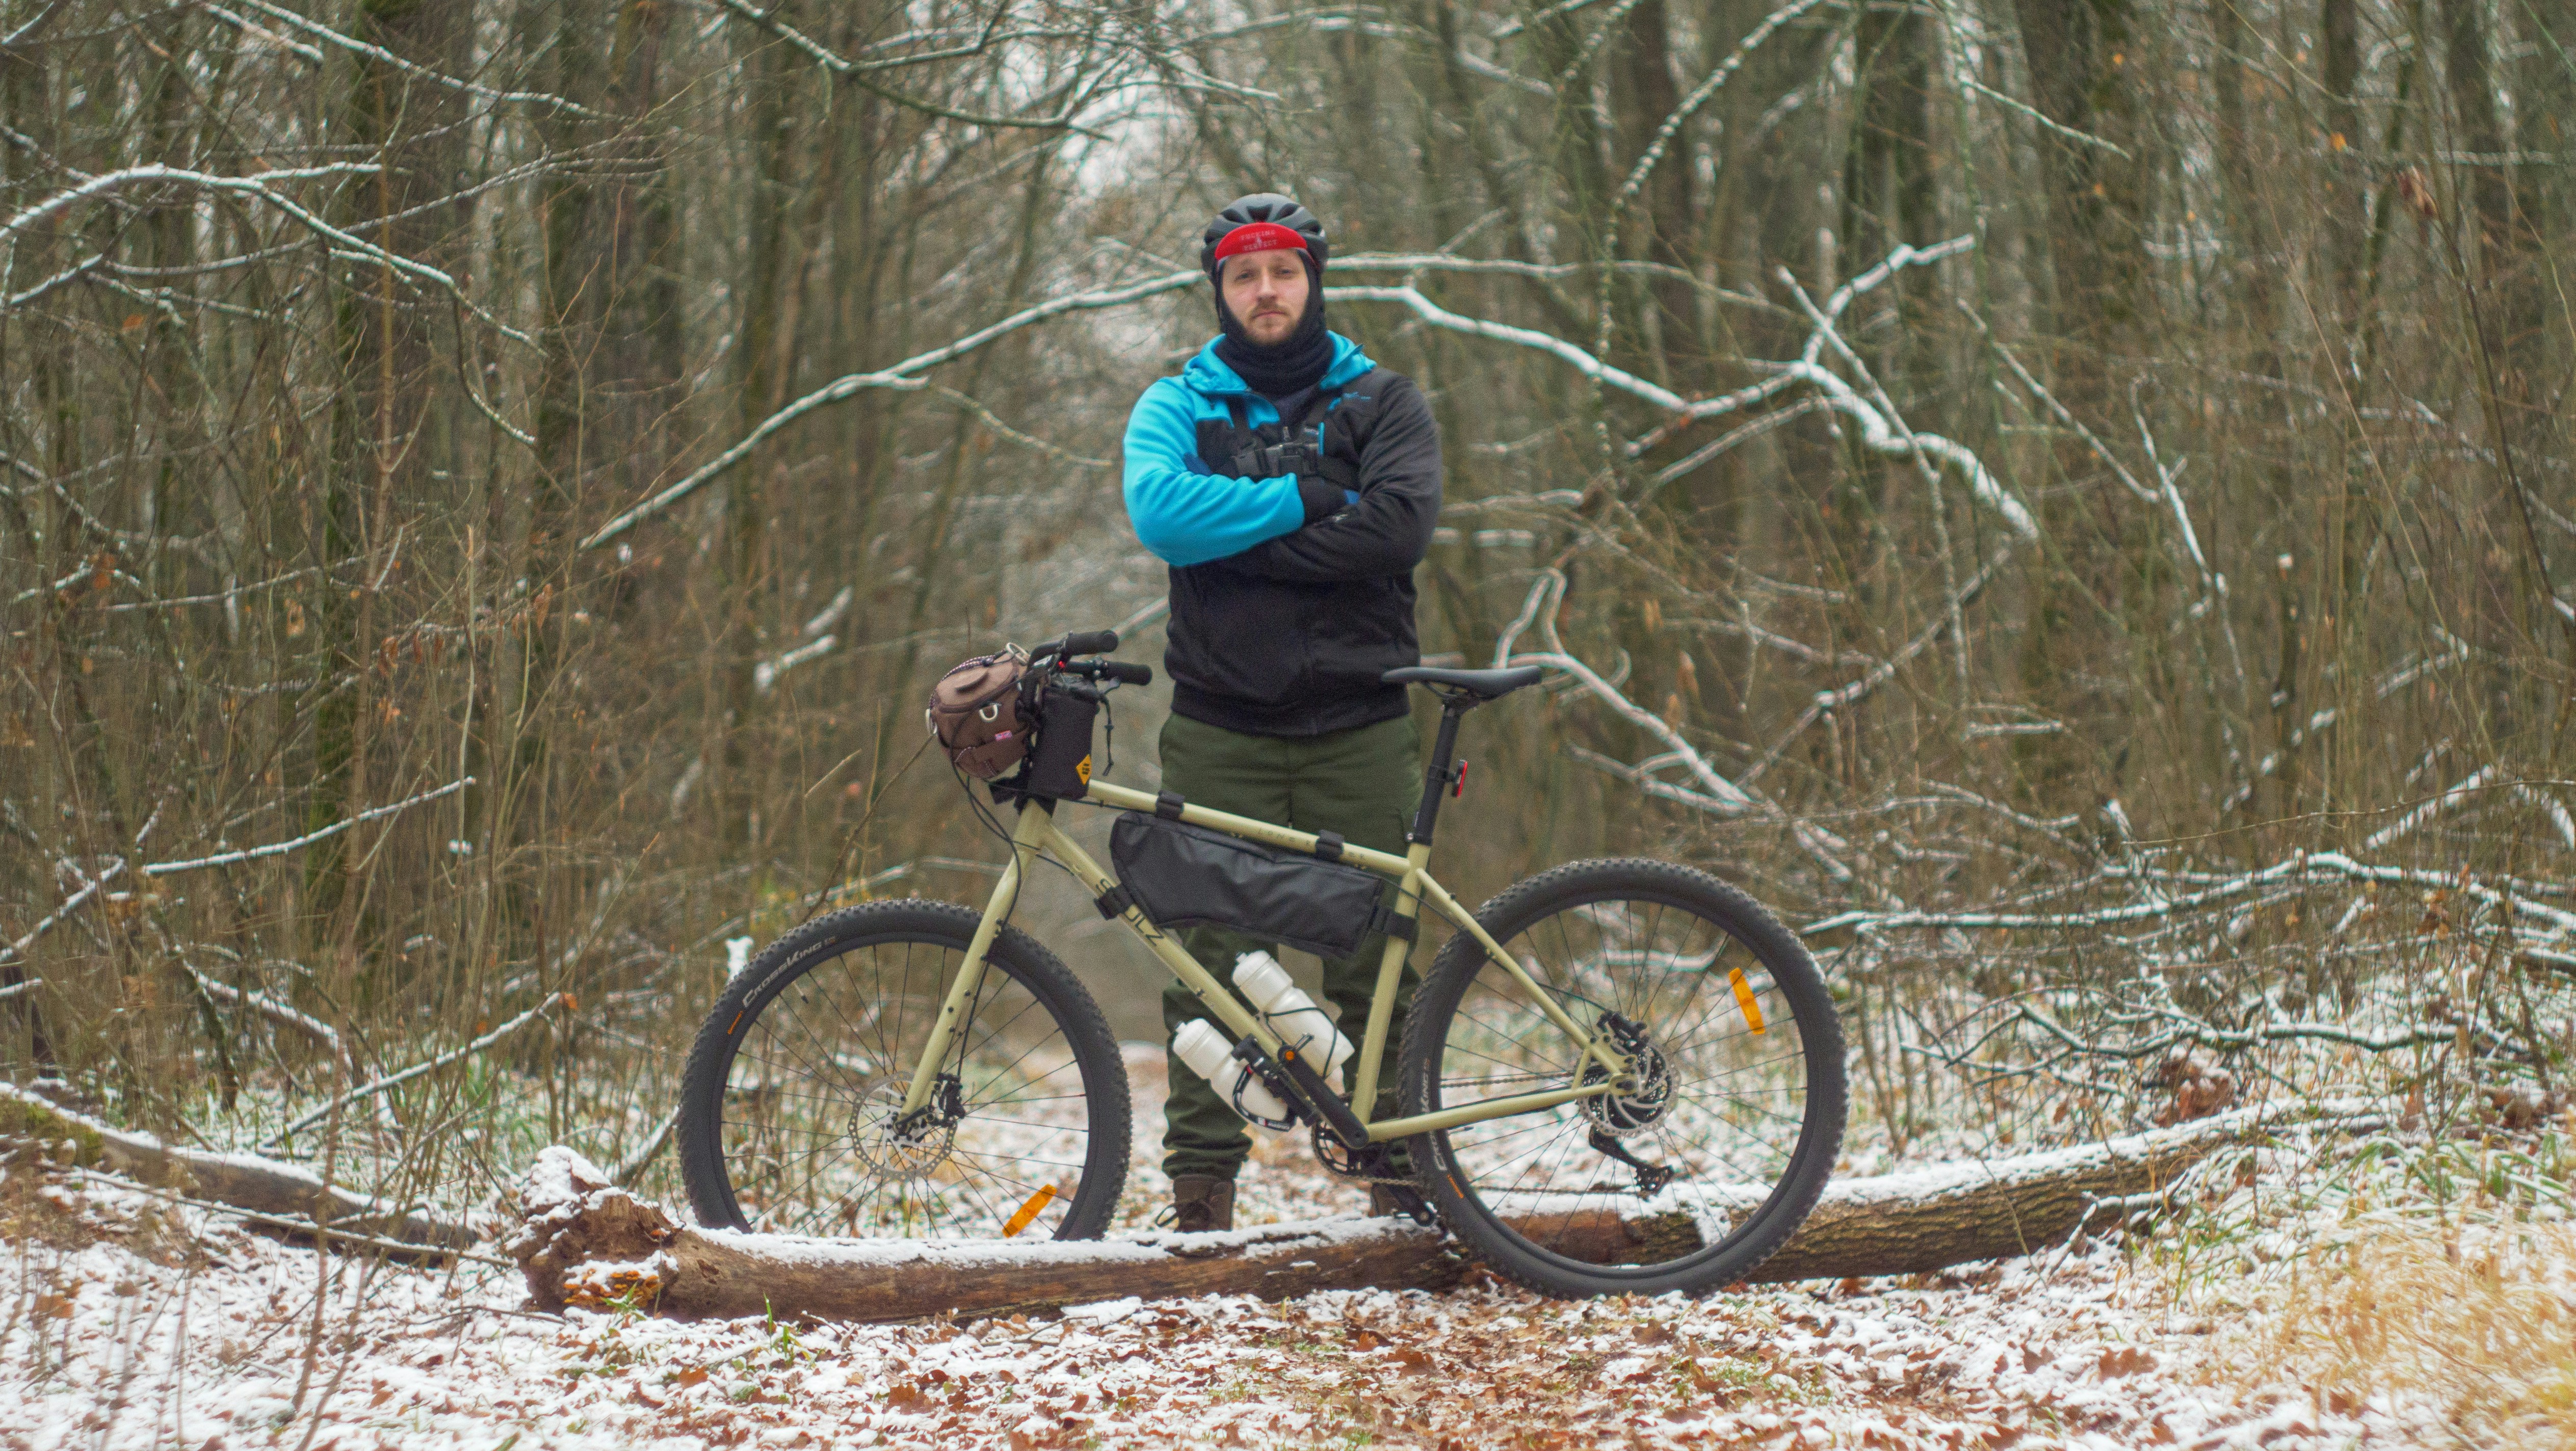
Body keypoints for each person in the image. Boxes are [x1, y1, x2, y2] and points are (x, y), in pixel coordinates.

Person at [1119, 194, 1443, 1232]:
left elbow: (1394, 531)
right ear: (1218, 288)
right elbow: (1162, 513)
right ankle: (1201, 1191)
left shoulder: (1384, 400)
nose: (1266, 290)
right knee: (1198, 959)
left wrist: (1238, 540)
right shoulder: (1177, 401)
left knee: (1379, 960)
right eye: (1244, 274)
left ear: (1314, 280)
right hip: (1221, 727)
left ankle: (1402, 1177)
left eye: (1284, 271)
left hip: (1361, 721)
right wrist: (1311, 499)